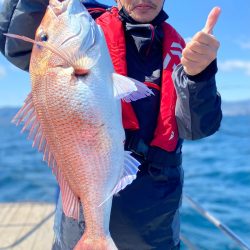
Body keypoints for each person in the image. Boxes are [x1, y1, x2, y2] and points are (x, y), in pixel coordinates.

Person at [0, 0, 222, 249]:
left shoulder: (182, 54)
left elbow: (198, 126)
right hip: (82, 223)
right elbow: (15, 43)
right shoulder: (88, 24)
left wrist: (200, 75)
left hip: (155, 224)